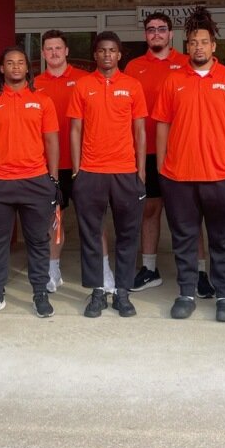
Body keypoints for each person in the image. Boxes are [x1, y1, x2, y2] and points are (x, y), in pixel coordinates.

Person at [154, 6, 225, 323]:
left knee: (221, 239)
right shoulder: (173, 80)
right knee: (183, 238)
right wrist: (162, 168)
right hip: (179, 176)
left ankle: (224, 295)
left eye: (203, 42)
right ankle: (186, 293)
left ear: (213, 45)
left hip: (221, 175)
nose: (198, 47)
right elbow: (162, 125)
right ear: (186, 47)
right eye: (193, 42)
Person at [125, 13, 216, 298]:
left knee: (190, 215)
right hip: (146, 151)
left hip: (183, 151)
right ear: (145, 35)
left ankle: (199, 272)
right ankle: (149, 269)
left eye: (162, 29)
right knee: (149, 211)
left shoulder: (188, 63)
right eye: (151, 29)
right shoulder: (133, 67)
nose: (156, 33)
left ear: (171, 34)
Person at [0, 46, 60, 320]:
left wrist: (53, 179)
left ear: (27, 68)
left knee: (38, 241)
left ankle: (40, 294)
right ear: (1, 68)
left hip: (35, 182)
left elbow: (51, 141)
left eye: (20, 62)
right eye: (10, 63)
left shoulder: (42, 100)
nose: (15, 67)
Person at [68, 32, 147, 319]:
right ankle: (98, 291)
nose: (107, 55)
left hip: (125, 172)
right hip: (91, 172)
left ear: (119, 54)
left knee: (127, 234)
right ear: (95, 54)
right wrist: (76, 170)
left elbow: (140, 130)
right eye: (102, 50)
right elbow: (75, 129)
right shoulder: (82, 85)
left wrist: (140, 172)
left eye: (112, 50)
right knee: (91, 234)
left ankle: (122, 292)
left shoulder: (133, 86)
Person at [33, 29, 90, 292]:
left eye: (58, 48)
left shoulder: (84, 80)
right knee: (53, 220)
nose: (54, 52)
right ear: (43, 53)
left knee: (91, 220)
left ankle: (97, 270)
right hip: (47, 164)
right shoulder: (34, 84)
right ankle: (52, 269)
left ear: (66, 51)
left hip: (83, 162)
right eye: (49, 48)